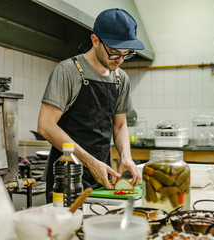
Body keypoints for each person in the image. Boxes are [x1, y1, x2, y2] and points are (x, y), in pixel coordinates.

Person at [38, 8, 144, 203]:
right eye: (114, 53)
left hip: (103, 178)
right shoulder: (68, 71)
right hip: (66, 177)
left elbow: (119, 125)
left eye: (125, 54)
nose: (119, 60)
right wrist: (90, 162)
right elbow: (46, 126)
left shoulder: (121, 79)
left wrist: (126, 157)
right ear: (95, 41)